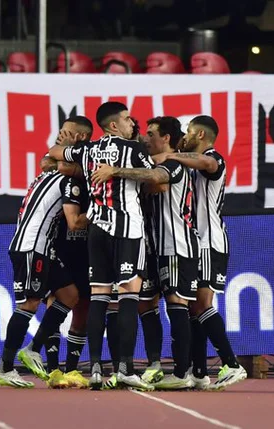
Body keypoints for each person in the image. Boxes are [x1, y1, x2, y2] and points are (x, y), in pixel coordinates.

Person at [48, 102, 154, 391]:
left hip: (97, 228)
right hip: (128, 229)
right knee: (130, 294)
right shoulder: (132, 149)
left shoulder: (89, 149)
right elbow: (156, 177)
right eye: (127, 119)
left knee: (99, 295)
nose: (133, 123)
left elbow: (54, 154)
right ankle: (125, 368)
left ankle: (95, 369)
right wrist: (118, 171)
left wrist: (62, 150)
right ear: (113, 126)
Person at [92, 116, 199, 390]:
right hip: (149, 243)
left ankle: (184, 370)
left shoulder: (173, 164)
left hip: (175, 244)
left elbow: (158, 181)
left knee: (177, 304)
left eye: (151, 134)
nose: (145, 139)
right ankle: (153, 365)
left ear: (165, 138)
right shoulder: (152, 158)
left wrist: (117, 172)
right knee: (146, 303)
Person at [0, 121, 90, 389]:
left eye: (65, 137)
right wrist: (100, 210)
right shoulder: (67, 179)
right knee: (29, 304)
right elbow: (74, 223)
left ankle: (33, 347)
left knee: (70, 295)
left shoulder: (47, 172)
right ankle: (5, 367)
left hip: (44, 248)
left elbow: (51, 160)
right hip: (31, 247)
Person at [154, 115, 247, 390]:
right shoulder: (190, 164)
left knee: (201, 305)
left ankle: (231, 364)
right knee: (193, 310)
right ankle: (199, 371)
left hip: (209, 242)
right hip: (197, 242)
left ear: (201, 135)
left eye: (190, 132)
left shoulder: (212, 157)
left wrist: (172, 155)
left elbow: (210, 164)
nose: (186, 136)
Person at [39, 116, 94, 389]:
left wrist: (75, 170)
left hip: (87, 248)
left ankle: (72, 369)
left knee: (83, 305)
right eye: (59, 132)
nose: (59, 138)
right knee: (56, 299)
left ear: (81, 138)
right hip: (58, 244)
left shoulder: (94, 156)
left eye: (65, 133)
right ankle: (52, 369)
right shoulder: (58, 159)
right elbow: (47, 163)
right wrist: (67, 167)